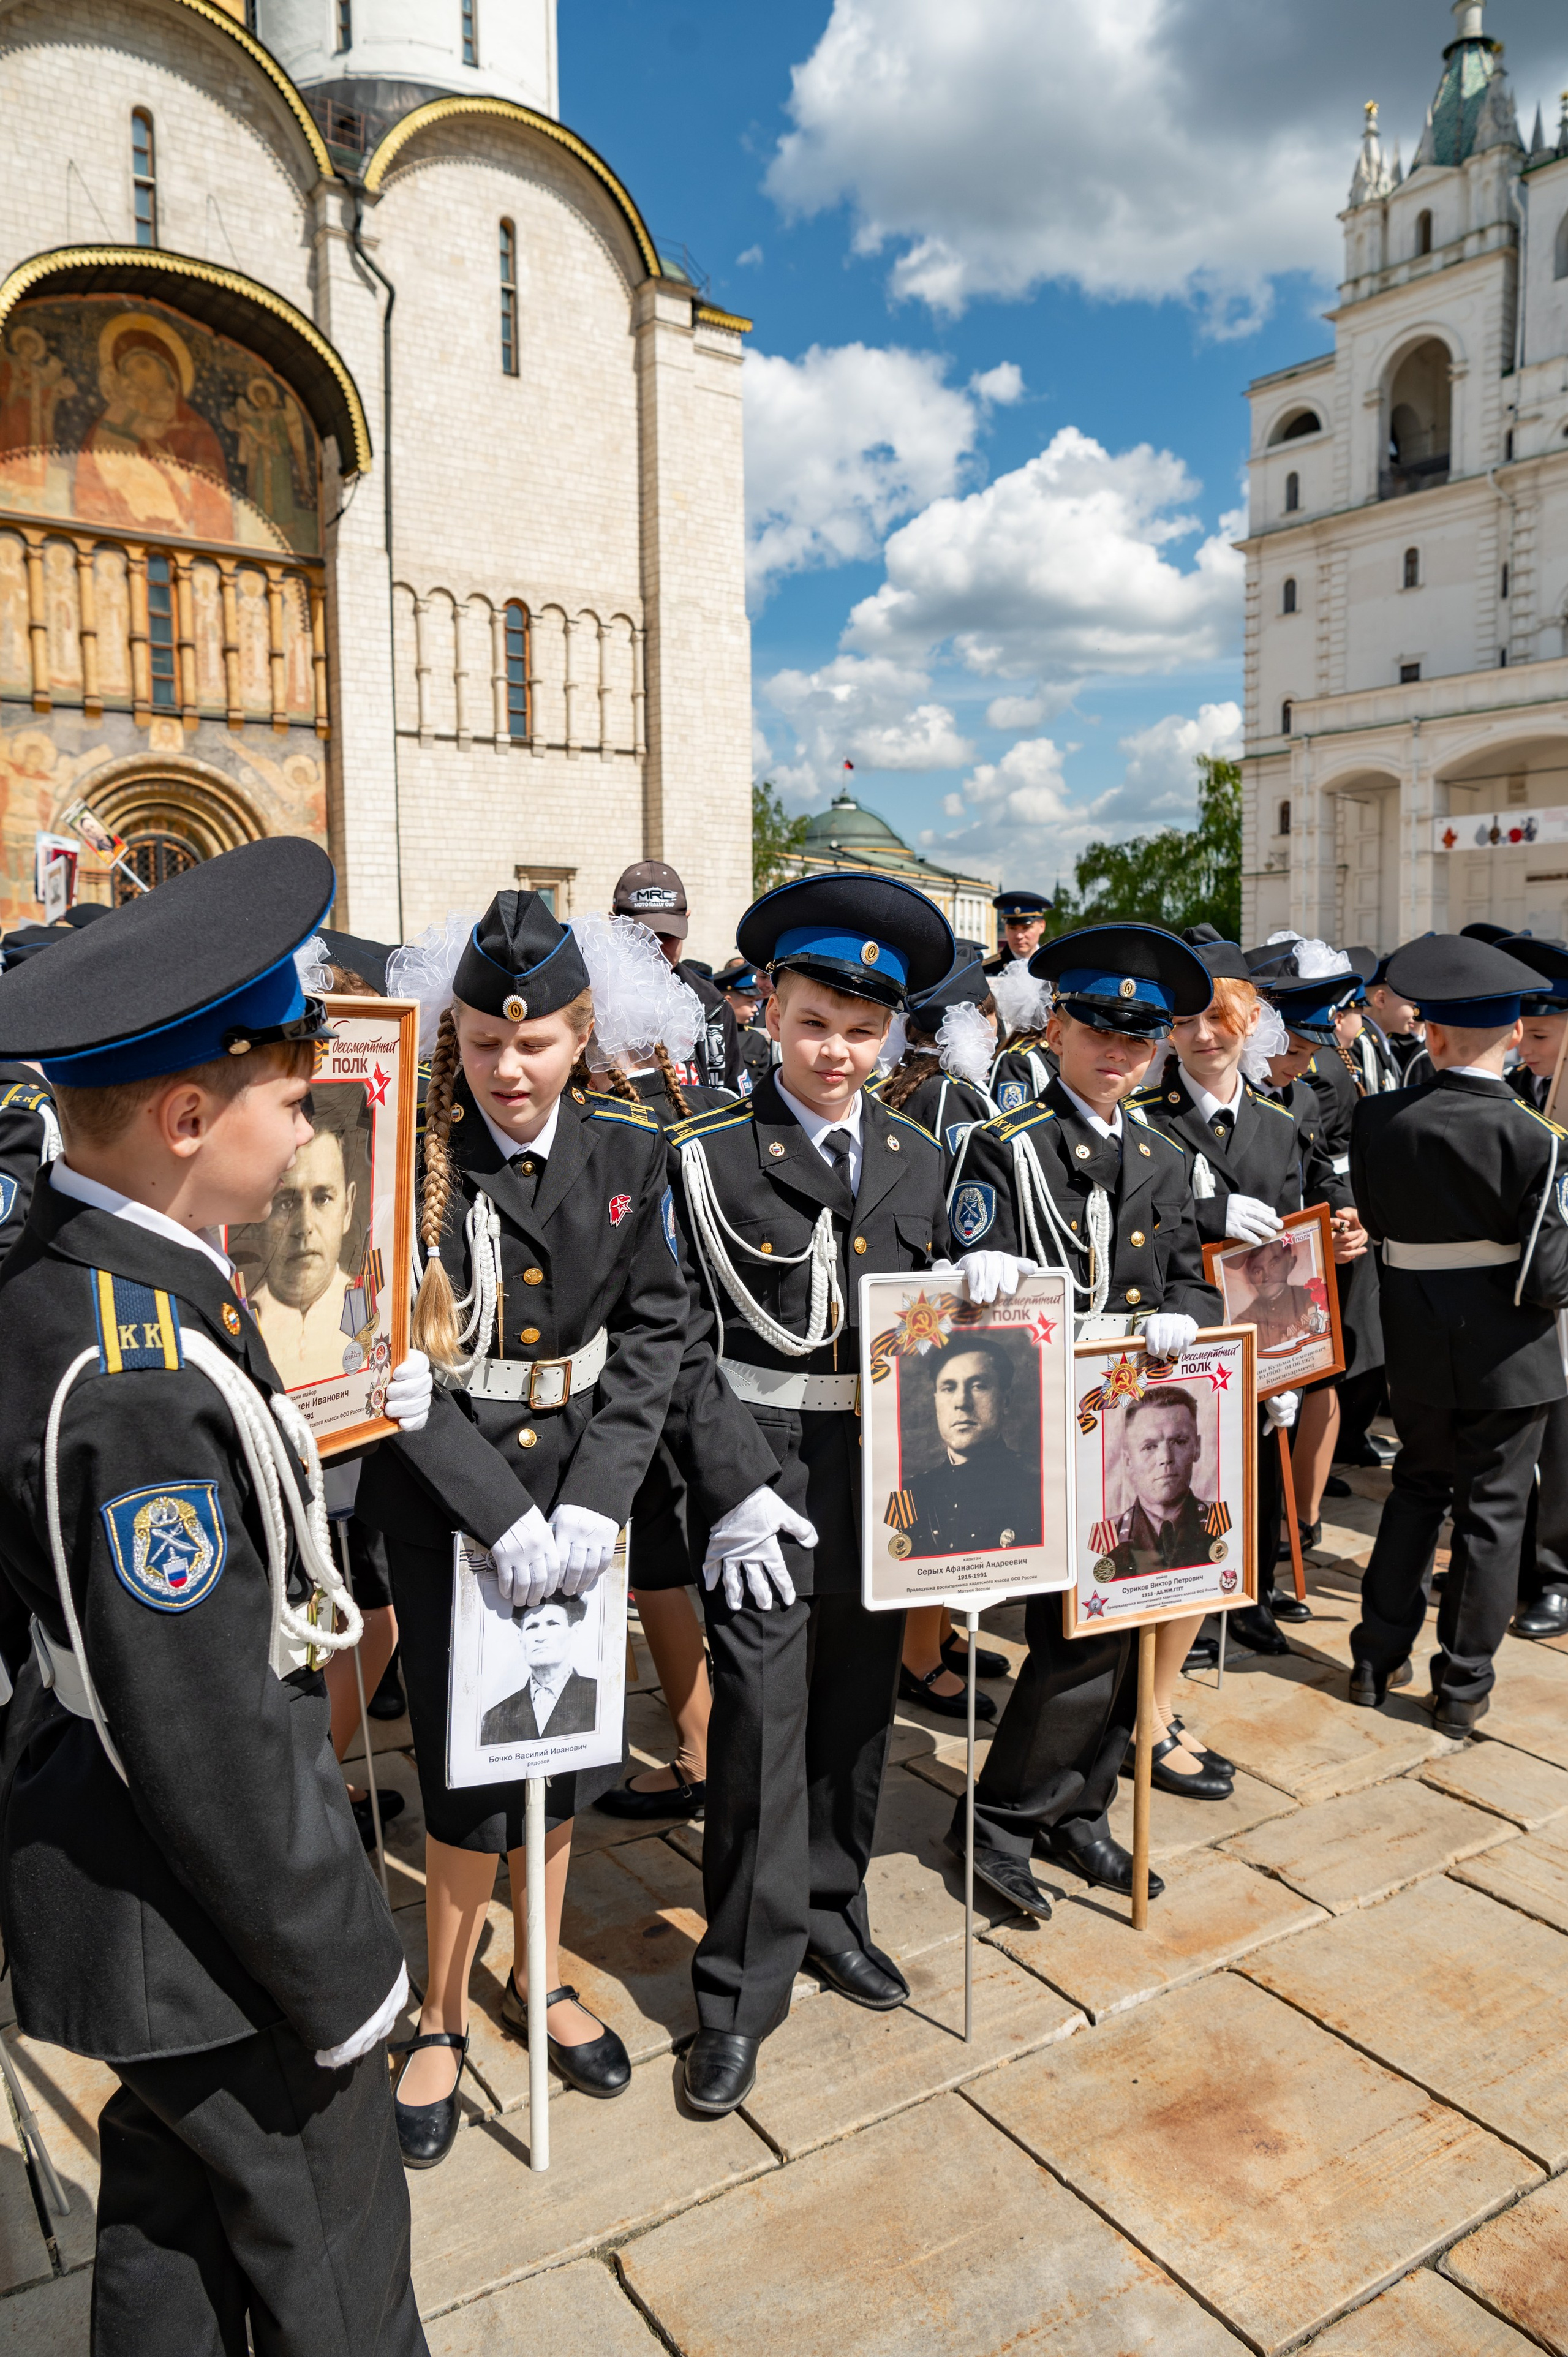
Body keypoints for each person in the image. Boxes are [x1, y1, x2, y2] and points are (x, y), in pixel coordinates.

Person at [0, 837, 434, 2354]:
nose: (310, 1118)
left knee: (170, 2238)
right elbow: (198, 1729)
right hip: (214, 1927)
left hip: (142, 1899)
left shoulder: (83, 1268)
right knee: (337, 2274)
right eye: (290, 1095)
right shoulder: (133, 1378)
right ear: (188, 1119)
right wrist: (338, 1966)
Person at [354, 892, 785, 2165]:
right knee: (464, 1770)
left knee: (559, 1750)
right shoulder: (408, 1157)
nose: (510, 1067)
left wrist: (597, 1497)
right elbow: (395, 1370)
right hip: (449, 1506)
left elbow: (655, 1333)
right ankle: (441, 2012)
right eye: (486, 1041)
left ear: (580, 1034)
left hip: (582, 1502)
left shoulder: (626, 1148)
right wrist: (497, 1514)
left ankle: (537, 1971)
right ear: (458, 1034)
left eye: (535, 1042)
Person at [666, 872, 963, 2118]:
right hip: (762, 1480)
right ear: (770, 1012)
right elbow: (677, 1340)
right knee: (756, 1730)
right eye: (814, 1023)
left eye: (862, 1029)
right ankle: (739, 1982)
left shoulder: (920, 1156)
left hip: (882, 1483)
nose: (836, 1051)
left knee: (854, 1715)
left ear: (891, 1033)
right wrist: (731, 1486)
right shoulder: (708, 1157)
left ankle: (834, 1907)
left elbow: (942, 1330)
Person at [943, 922, 1222, 1911]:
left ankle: (1080, 1808)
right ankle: (1000, 1818)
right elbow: (958, 1276)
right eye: (1099, 1029)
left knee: (1133, 1631)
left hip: (1138, 1428)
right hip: (1053, 1429)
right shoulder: (1006, 1144)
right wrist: (976, 1271)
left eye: (1139, 1038)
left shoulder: (1161, 1150)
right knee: (1076, 1641)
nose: (1118, 1053)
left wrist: (1191, 1315)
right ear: (1056, 1028)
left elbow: (1190, 1274)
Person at [1348, 933, 1568, 1734]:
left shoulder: (1377, 1118)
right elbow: (1551, 1276)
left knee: (1416, 1488)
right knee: (1492, 1513)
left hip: (1415, 1339)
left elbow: (1378, 1223)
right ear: (1512, 1032)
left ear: (1431, 1032)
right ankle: (1463, 1685)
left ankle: (1374, 1657)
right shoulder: (1538, 1137)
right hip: (1510, 1352)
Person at [1498, 934, 1568, 1642]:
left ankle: (1556, 1574)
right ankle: (1514, 1563)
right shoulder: (1520, 1089)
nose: (1527, 1048)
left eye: (1542, 1035)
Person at [902, 1337, 1043, 1558]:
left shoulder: (1039, 1486)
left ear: (1006, 1400)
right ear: (936, 1401)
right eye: (949, 1388)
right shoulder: (907, 1495)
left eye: (978, 1386)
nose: (962, 1402)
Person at [612, 859, 744, 1092]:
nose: (656, 947)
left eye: (668, 935)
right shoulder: (593, 1001)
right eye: (643, 934)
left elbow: (734, 1095)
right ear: (616, 924)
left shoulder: (712, 1004)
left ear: (687, 918)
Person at [877, 956, 998, 1159]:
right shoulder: (953, 1093)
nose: (996, 1026)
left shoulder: (920, 1077)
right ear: (972, 1021)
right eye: (992, 1015)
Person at [480, 1592, 598, 1741]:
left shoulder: (601, 1697)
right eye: (532, 1627)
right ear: (521, 1638)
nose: (541, 1637)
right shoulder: (495, 1717)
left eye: (553, 1624)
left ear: (574, 1631)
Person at [714, 957, 774, 1091]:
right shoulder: (706, 1035)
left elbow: (760, 1083)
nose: (755, 1009)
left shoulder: (756, 1040)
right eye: (750, 1002)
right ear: (729, 1002)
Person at [1366, 954, 1426, 1077]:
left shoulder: (1385, 1043)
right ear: (1381, 1000)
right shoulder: (1362, 1044)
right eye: (1411, 1006)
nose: (1416, 1014)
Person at [984, 888, 1052, 975]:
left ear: (1042, 926)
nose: (1019, 936)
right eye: (1012, 928)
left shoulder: (1055, 966)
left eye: (1026, 928)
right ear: (1006, 929)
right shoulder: (986, 970)